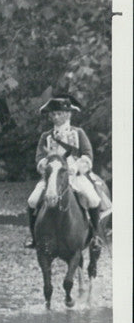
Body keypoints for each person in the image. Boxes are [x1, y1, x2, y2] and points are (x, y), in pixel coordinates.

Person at [24, 93, 104, 249]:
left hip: (75, 175)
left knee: (94, 199)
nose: (55, 117)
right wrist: (46, 166)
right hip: (53, 176)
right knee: (32, 201)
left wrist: (77, 167)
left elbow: (88, 154)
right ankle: (34, 238)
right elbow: (39, 157)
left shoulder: (78, 133)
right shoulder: (46, 136)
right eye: (53, 114)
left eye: (59, 113)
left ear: (68, 114)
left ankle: (95, 237)